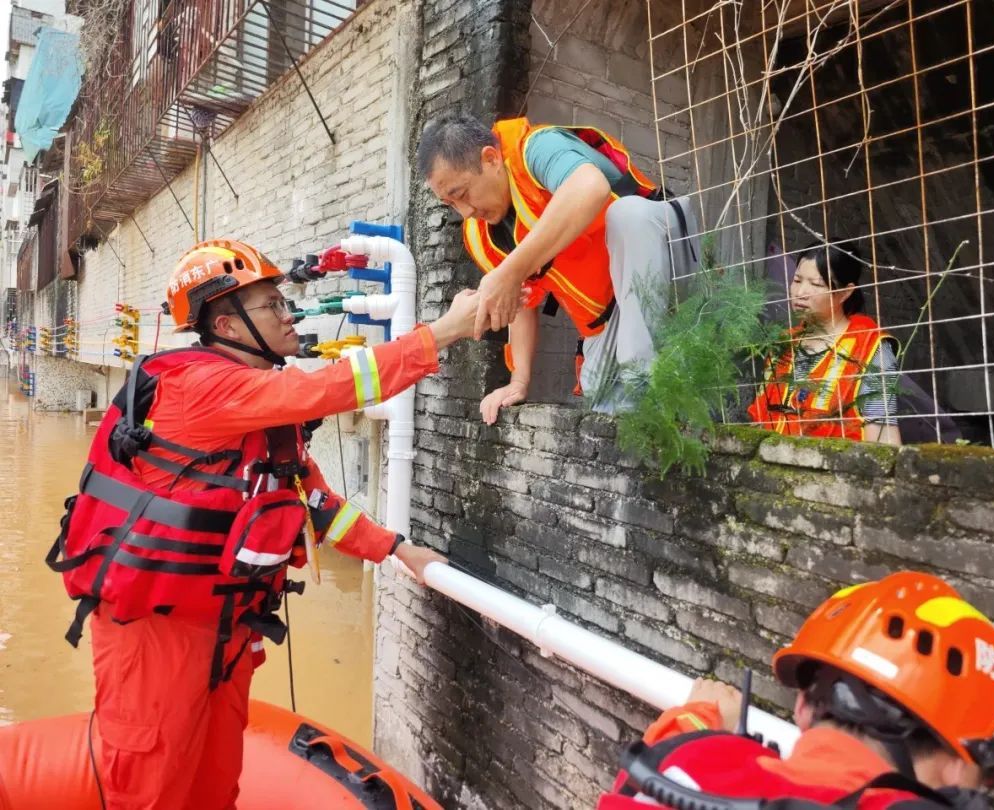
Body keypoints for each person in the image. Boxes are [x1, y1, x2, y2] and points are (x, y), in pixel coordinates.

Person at [47, 238, 478, 810]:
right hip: (155, 632)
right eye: (273, 305)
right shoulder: (200, 387)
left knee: (216, 783)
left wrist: (398, 548)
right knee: (149, 788)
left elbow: (313, 502)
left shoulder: (264, 412)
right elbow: (329, 387)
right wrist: (443, 332)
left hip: (225, 631)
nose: (288, 313)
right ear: (226, 324)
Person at [598, 571, 994, 809]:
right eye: (986, 779)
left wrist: (699, 718)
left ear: (804, 707)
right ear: (956, 764)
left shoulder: (681, 765)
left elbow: (663, 754)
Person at [418, 112, 699, 419]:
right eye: (451, 203)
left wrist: (510, 271)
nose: (466, 211)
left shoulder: (537, 148)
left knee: (627, 215)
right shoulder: (481, 236)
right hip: (608, 314)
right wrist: (519, 379)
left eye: (462, 193)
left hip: (668, 261)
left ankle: (647, 380)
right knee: (602, 403)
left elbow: (590, 187)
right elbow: (519, 300)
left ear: (491, 159)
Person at [748, 241, 902, 444]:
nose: (800, 292)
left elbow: (883, 437)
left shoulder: (870, 348)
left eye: (816, 284)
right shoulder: (783, 344)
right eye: (797, 280)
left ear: (845, 293)